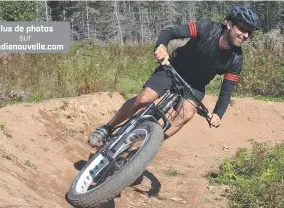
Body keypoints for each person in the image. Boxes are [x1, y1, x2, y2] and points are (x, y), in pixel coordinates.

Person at [88, 5, 260, 147]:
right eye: (242, 29)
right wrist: (161, 46)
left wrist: (218, 114)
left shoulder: (236, 59)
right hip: (175, 68)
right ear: (229, 24)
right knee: (144, 99)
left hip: (195, 85)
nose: (245, 35)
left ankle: (146, 149)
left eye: (249, 32)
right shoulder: (207, 28)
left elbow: (226, 92)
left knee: (186, 115)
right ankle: (108, 128)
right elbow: (170, 32)